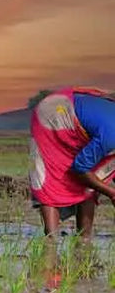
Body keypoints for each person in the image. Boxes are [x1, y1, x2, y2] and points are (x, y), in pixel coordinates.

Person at [30, 88, 115, 239]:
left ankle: (84, 238)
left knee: (94, 178)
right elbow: (80, 168)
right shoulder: (111, 134)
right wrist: (111, 193)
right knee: (50, 178)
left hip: (79, 124)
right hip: (53, 114)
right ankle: (51, 239)